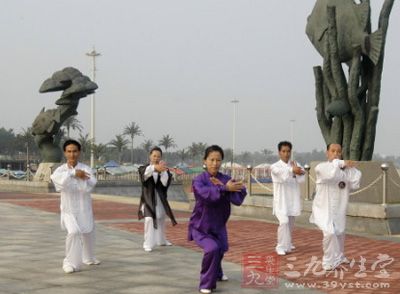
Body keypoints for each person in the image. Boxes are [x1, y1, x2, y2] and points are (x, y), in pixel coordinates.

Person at [188, 145, 247, 294]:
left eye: (218, 160)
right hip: (201, 226)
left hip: (219, 225)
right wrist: (224, 189)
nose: (215, 163)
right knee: (212, 249)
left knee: (220, 249)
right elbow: (206, 194)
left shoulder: (225, 179)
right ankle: (206, 284)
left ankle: (218, 273)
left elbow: (238, 196)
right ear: (205, 161)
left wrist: (235, 187)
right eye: (211, 160)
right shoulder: (198, 181)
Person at [50, 139, 100, 274]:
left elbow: (92, 183)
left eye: (75, 151)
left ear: (79, 152)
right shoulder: (60, 170)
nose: (72, 154)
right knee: (73, 232)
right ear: (65, 153)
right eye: (69, 151)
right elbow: (58, 181)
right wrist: (73, 174)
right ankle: (69, 262)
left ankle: (88, 257)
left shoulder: (85, 168)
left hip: (84, 207)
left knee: (88, 232)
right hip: (68, 210)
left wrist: (81, 176)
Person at [310, 143, 361, 271]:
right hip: (323, 208)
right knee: (329, 233)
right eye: (333, 151)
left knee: (339, 231)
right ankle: (327, 261)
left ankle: (339, 256)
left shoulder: (346, 170)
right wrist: (340, 163)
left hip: (339, 206)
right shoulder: (322, 167)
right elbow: (331, 176)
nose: (336, 154)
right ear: (327, 153)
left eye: (338, 152)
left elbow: (356, 181)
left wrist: (348, 167)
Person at [138, 146, 177, 252]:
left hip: (160, 199)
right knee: (149, 219)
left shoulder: (165, 170)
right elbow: (145, 175)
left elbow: (164, 183)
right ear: (150, 156)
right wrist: (155, 168)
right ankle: (147, 243)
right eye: (154, 156)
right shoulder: (144, 168)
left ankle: (161, 240)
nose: (156, 158)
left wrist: (163, 171)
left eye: (158, 156)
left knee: (160, 218)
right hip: (148, 199)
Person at [270, 141, 305, 256]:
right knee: (284, 222)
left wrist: (297, 172)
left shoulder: (295, 164)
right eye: (283, 151)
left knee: (290, 223)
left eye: (288, 151)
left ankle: (288, 243)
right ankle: (280, 246)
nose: (286, 154)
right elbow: (281, 175)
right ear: (279, 152)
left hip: (292, 198)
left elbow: (302, 178)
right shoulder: (274, 166)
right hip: (281, 200)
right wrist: (292, 170)